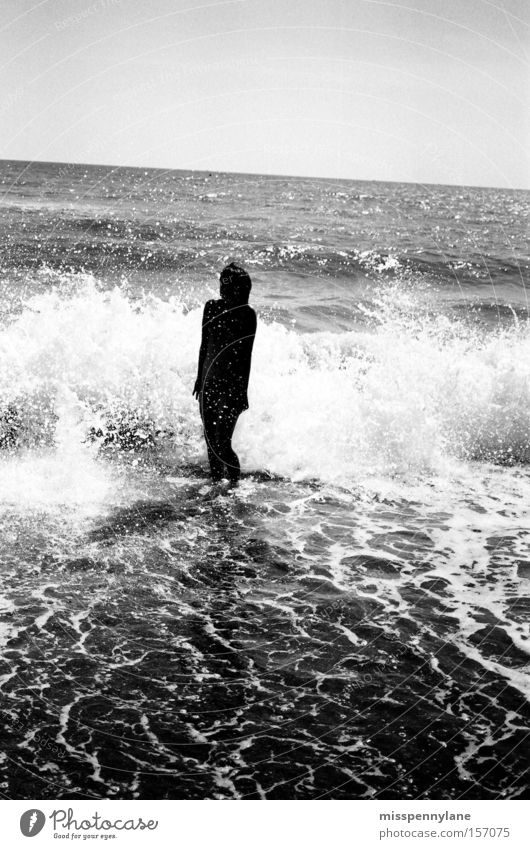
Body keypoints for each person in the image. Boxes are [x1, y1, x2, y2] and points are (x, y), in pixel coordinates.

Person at [193, 263, 257, 483]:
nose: (224, 290)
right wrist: (199, 379)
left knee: (222, 442)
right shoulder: (211, 308)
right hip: (209, 383)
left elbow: (245, 358)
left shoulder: (247, 315)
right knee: (211, 441)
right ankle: (215, 483)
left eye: (229, 286)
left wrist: (242, 392)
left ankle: (234, 486)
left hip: (231, 387)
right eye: (223, 284)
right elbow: (204, 346)